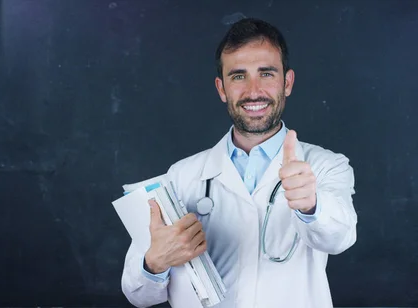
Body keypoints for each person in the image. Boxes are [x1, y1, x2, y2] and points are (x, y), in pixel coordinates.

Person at [120, 17, 358, 308]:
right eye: (238, 76)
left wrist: (311, 206)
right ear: (222, 89)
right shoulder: (181, 176)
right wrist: (154, 262)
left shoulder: (325, 166)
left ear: (288, 83)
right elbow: (137, 294)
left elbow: (340, 237)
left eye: (267, 74)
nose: (253, 91)